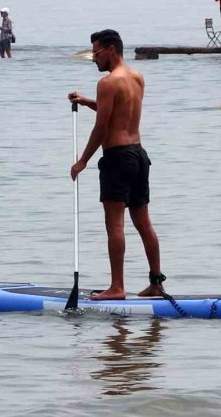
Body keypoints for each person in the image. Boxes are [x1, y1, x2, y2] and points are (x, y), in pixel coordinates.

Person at [68, 29, 165, 300]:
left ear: (110, 49)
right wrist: (88, 102)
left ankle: (117, 287)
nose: (93, 59)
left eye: (96, 52)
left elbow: (102, 128)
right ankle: (156, 282)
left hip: (117, 158)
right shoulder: (136, 77)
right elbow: (119, 110)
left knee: (115, 225)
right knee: (143, 222)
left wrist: (82, 161)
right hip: (138, 155)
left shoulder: (108, 83)